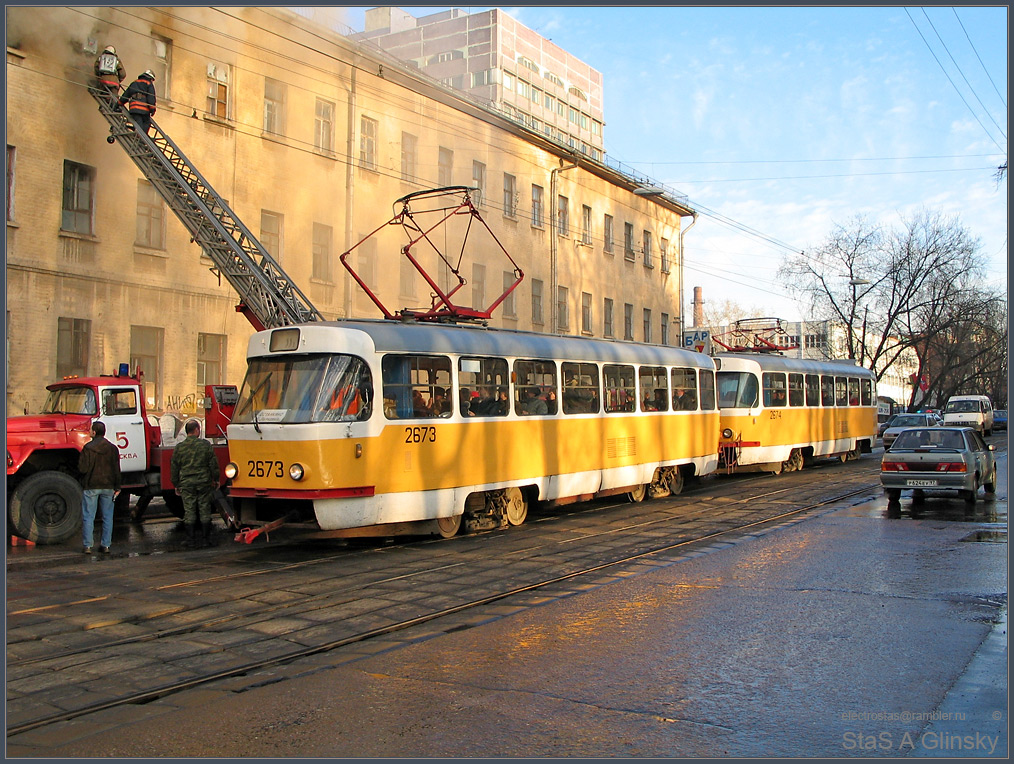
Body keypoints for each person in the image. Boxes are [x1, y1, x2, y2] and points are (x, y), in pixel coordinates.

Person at [170, 419, 221, 548]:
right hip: (204, 483)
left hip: (187, 484)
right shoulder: (205, 445)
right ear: (197, 430)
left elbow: (174, 467)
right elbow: (213, 464)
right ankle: (205, 539)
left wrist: (176, 484)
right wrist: (216, 479)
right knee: (204, 509)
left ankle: (190, 540)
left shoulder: (179, 448)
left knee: (189, 511)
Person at [77, 420, 122, 554]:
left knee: (88, 516)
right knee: (107, 517)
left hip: (91, 486)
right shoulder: (113, 448)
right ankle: (106, 545)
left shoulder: (88, 448)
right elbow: (116, 469)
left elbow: (82, 468)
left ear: (94, 432)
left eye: (91, 430)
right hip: (108, 486)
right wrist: (117, 487)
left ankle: (87, 546)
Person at [118, 69, 157, 134]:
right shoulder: (149, 84)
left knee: (138, 124)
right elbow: (151, 98)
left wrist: (119, 103)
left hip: (134, 109)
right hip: (144, 110)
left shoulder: (134, 83)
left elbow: (126, 95)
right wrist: (153, 109)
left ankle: (139, 136)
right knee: (146, 123)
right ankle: (142, 139)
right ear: (150, 78)